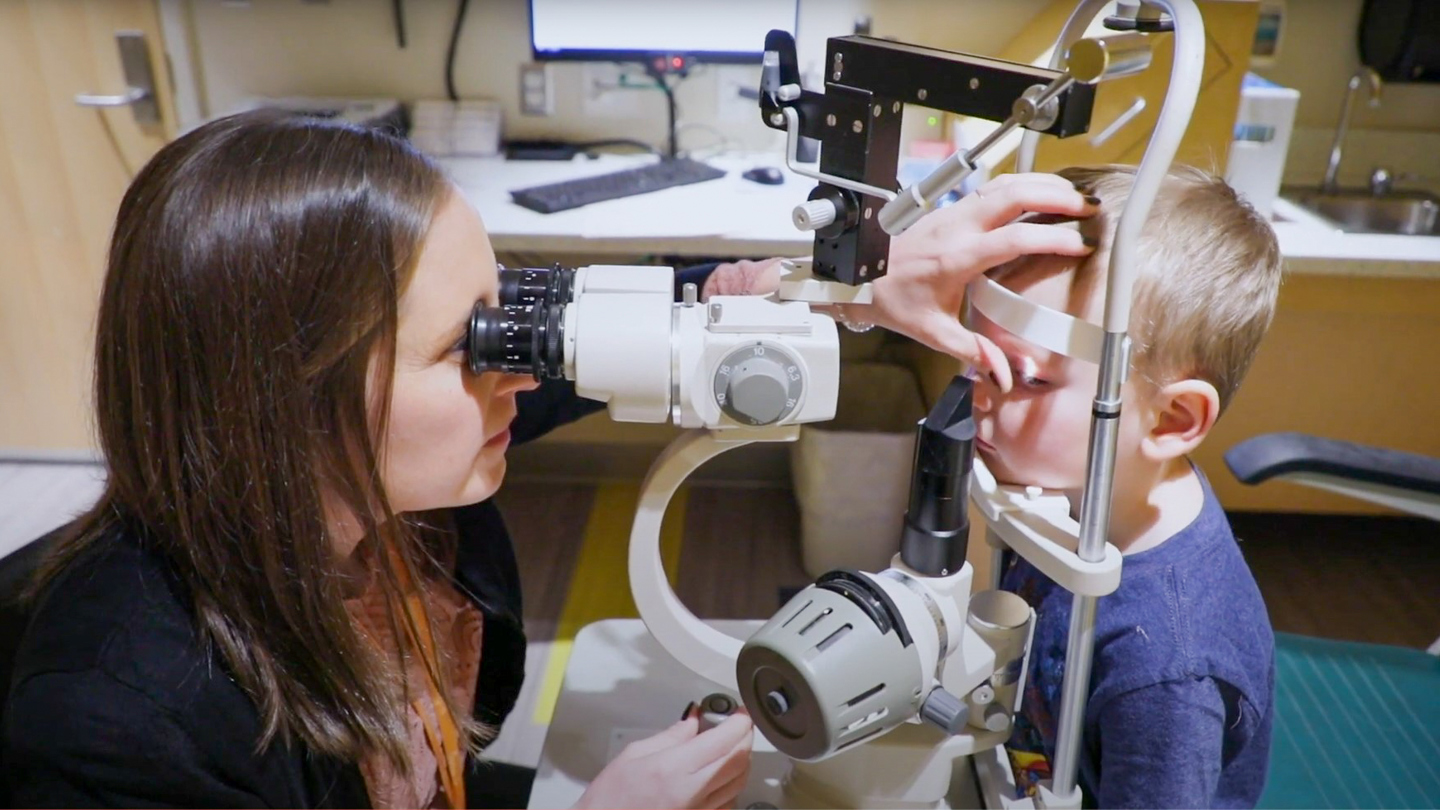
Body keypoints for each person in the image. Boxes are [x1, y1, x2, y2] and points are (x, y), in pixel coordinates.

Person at [0, 109, 1097, 808]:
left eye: (510, 315)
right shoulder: (117, 727)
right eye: (466, 345)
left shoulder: (374, 471)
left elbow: (659, 319)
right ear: (287, 397)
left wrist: (856, 284)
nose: (521, 368)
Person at [970, 165, 1282, 808]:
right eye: (980, 355)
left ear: (1171, 421)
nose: (978, 394)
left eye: (1028, 378)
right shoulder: (1083, 488)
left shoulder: (1169, 671)